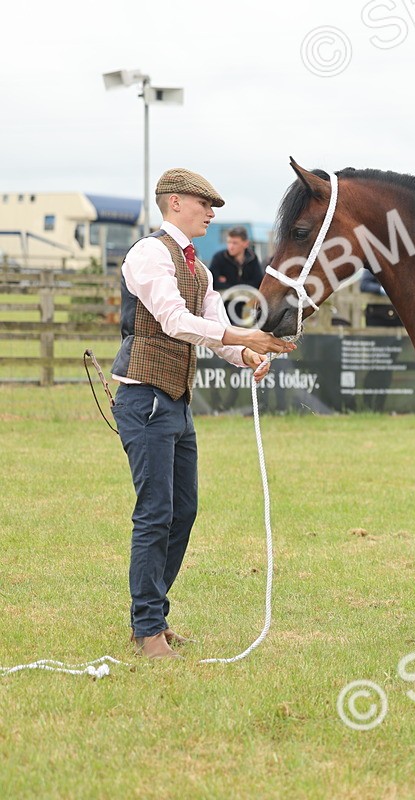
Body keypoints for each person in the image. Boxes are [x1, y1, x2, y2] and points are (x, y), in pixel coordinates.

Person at [110, 168, 296, 660]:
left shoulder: (200, 268)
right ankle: (148, 630)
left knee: (182, 512)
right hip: (145, 399)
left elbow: (213, 327)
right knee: (155, 515)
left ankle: (151, 620)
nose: (213, 214)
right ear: (174, 203)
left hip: (174, 401)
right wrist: (245, 338)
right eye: (204, 204)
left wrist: (248, 354)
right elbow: (173, 321)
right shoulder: (149, 253)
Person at [208, 226, 264, 324]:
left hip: (247, 311)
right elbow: (213, 284)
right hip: (224, 312)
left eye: (235, 243)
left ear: (245, 243)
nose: (231, 246)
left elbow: (258, 283)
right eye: (229, 242)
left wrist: (229, 284)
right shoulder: (219, 258)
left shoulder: (252, 259)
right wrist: (243, 287)